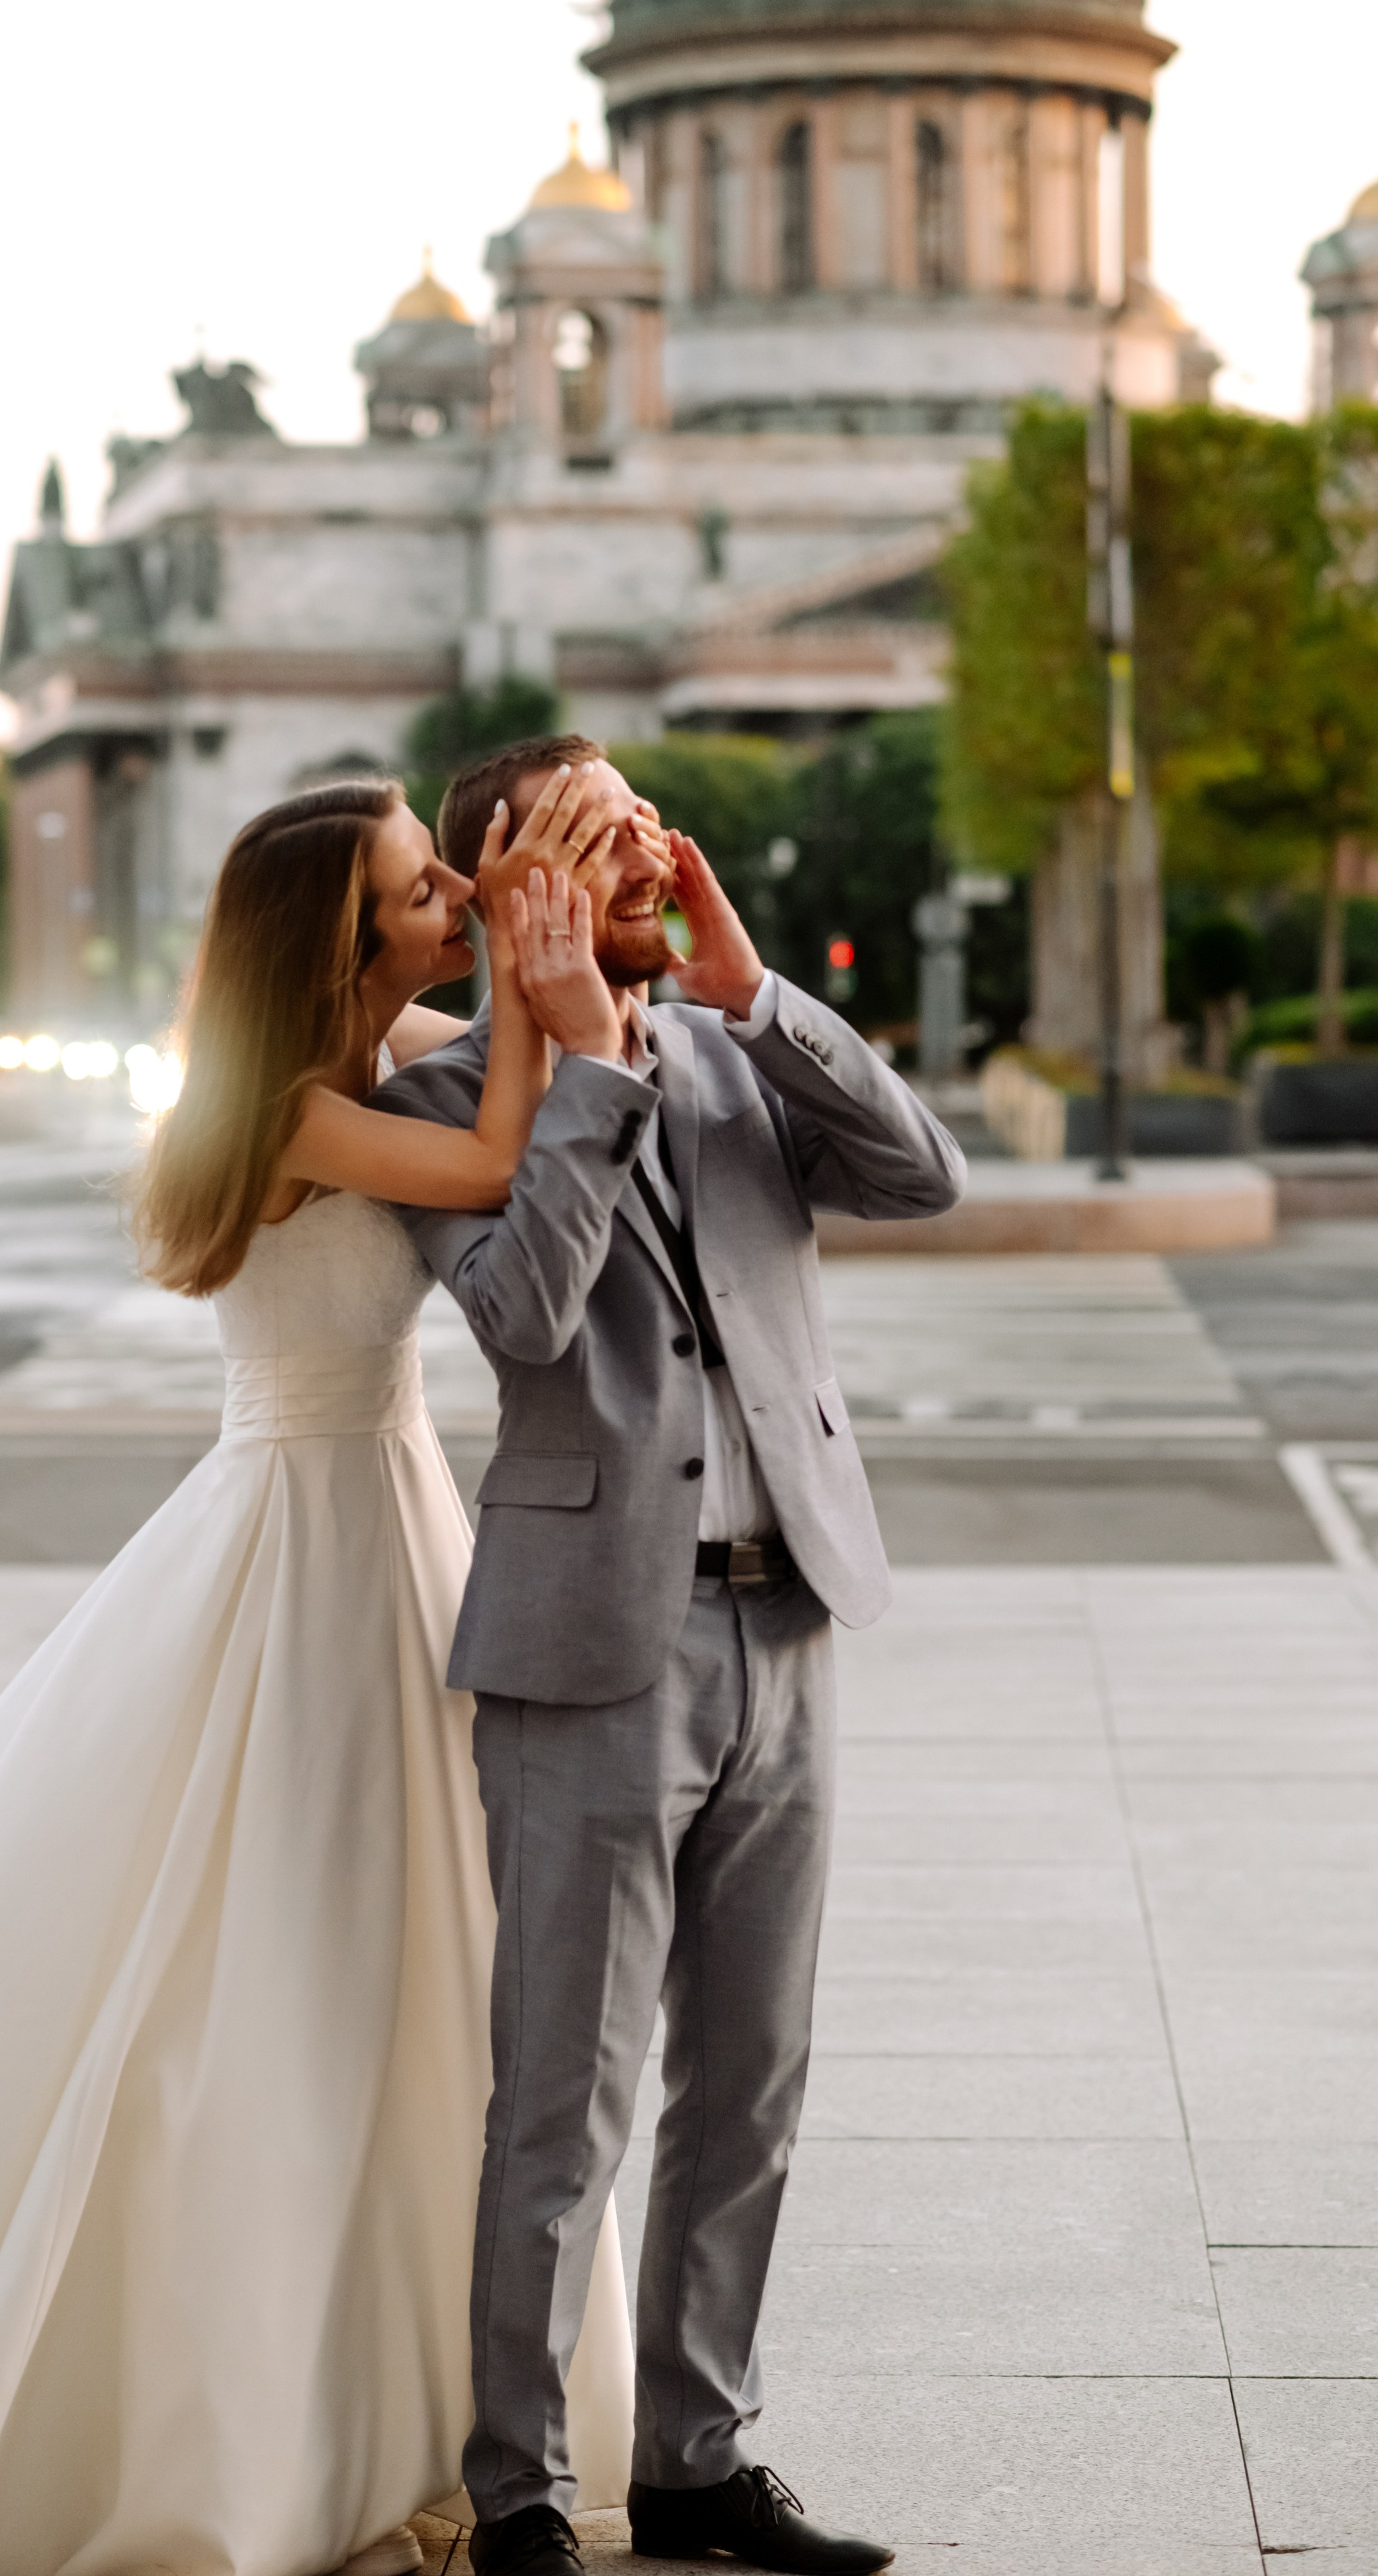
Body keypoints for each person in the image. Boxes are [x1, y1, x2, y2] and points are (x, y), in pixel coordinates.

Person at [0, 773, 638, 2576]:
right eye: (422, 892)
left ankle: (437, 2387)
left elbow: (538, 1077)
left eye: (439, 882)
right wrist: (529, 988)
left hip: (398, 1521)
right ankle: (259, 2412)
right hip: (300, 1537)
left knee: (426, 1972)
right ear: (339, 942)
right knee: (258, 1965)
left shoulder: (378, 1035)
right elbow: (500, 1157)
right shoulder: (283, 1105)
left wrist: (544, 935)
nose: (448, 909)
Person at [374, 736, 970, 2576]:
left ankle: (703, 2454)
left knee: (757, 2066)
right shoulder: (455, 1099)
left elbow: (923, 1172)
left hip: (788, 1607)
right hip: (591, 1640)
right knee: (568, 2087)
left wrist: (747, 988)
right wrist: (577, 1059)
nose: (644, 843)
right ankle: (525, 2487)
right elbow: (526, 1313)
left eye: (642, 814)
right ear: (509, 885)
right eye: (594, 832)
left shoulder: (739, 1049)